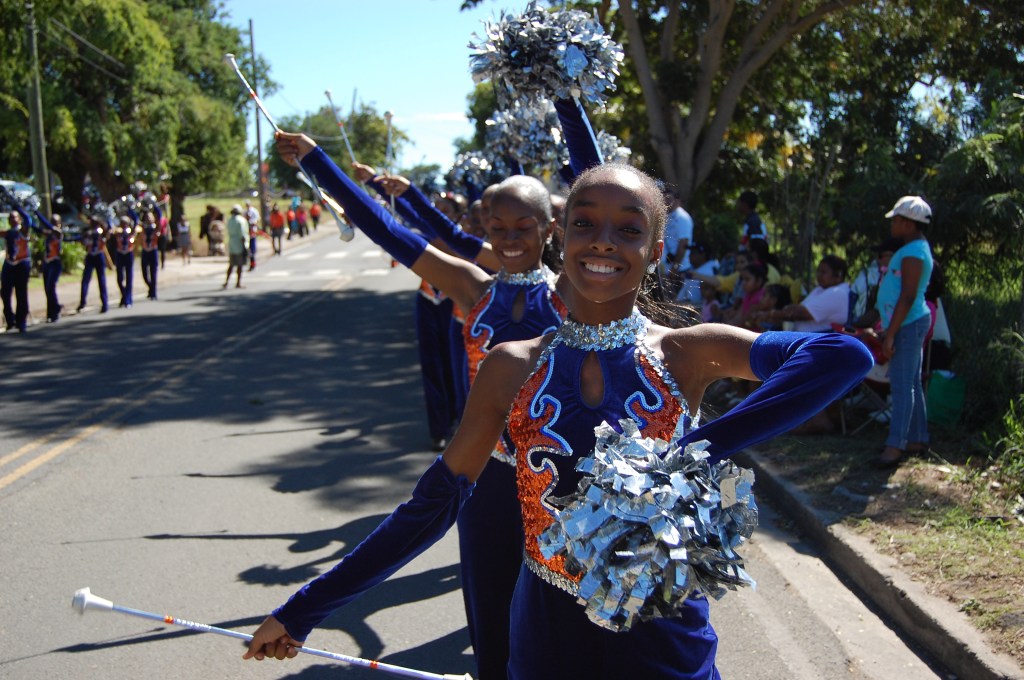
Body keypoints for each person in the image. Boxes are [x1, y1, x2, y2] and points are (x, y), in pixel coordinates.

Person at [242, 163, 872, 678]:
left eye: (627, 230)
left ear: (655, 251)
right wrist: (305, 608)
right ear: (561, 237)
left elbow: (843, 356)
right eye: (585, 223)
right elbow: (432, 505)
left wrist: (692, 456)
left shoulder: (684, 352)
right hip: (547, 630)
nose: (603, 240)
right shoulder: (510, 367)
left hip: (664, 632)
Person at [275, 131, 570, 679]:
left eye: (523, 229)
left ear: (549, 229)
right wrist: (319, 163)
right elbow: (388, 232)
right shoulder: (471, 287)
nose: (508, 240)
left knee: (563, 620)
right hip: (483, 480)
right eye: (497, 228)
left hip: (560, 482)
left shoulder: (574, 295)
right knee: (490, 621)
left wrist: (567, 96)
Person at [874, 196, 934, 469]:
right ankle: (917, 439)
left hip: (908, 324)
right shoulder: (912, 248)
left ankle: (895, 446)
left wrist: (890, 334)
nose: (893, 224)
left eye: (897, 219)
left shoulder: (913, 252)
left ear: (909, 224)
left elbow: (908, 295)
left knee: (901, 386)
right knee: (911, 384)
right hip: (908, 323)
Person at [758, 255, 850, 332]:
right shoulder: (821, 289)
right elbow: (797, 308)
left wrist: (770, 314)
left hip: (817, 345)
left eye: (823, 272)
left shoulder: (838, 293)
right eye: (818, 271)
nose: (819, 275)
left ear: (838, 275)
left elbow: (799, 313)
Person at [851, 237, 901, 327]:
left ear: (895, 256)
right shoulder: (886, 278)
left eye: (881, 256)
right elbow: (877, 310)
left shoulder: (901, 282)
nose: (878, 260)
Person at [1, 210, 32, 332]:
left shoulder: (23, 231)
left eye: (15, 218)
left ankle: (21, 320)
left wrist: (17, 206)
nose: (13, 220)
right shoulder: (8, 233)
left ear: (19, 219)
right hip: (9, 264)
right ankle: (10, 319)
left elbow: (29, 220)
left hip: (22, 264)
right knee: (5, 293)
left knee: (21, 293)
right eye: (10, 218)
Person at [659, 185, 693, 297]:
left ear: (677, 200)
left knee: (675, 301)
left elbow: (684, 243)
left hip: (678, 269)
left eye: (668, 199)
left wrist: (675, 267)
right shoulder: (668, 216)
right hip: (668, 268)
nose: (666, 202)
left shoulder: (682, 217)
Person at [78, 217, 110, 313]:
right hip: (90, 256)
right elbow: (83, 242)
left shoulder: (101, 231)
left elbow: (108, 232)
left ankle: (105, 303)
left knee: (101, 280)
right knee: (85, 280)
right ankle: (82, 302)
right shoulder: (88, 232)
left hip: (99, 255)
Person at [41, 213, 64, 322]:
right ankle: (50, 313)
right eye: (51, 222)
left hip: (55, 263)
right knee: (47, 289)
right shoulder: (49, 234)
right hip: (47, 263)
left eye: (55, 223)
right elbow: (37, 229)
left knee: (51, 287)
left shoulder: (59, 233)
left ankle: (56, 309)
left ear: (59, 224)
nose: (52, 225)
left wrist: (36, 212)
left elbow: (49, 227)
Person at [113, 216, 137, 308]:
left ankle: (128, 300)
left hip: (128, 254)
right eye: (122, 223)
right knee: (119, 278)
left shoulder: (131, 232)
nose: (124, 225)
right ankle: (124, 295)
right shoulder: (118, 232)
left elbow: (136, 223)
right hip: (120, 254)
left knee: (129, 277)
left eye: (125, 223)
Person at [223, 204, 249, 289]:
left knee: (231, 264)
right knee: (239, 265)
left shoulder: (230, 220)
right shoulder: (241, 221)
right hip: (239, 244)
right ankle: (238, 283)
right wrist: (245, 246)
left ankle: (226, 282)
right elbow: (242, 234)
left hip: (232, 244)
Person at [140, 211, 160, 300]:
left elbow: (159, 215)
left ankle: (153, 292)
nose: (148, 219)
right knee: (144, 273)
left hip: (153, 250)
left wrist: (154, 205)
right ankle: (151, 288)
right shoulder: (142, 227)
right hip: (145, 251)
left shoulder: (156, 227)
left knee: (153, 272)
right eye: (146, 217)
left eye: (150, 217)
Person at [245, 200, 260, 270]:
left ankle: (253, 264)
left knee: (252, 250)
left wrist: (253, 224)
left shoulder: (254, 211)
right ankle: (250, 263)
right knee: (248, 250)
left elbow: (256, 220)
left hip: (252, 233)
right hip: (247, 233)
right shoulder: (245, 212)